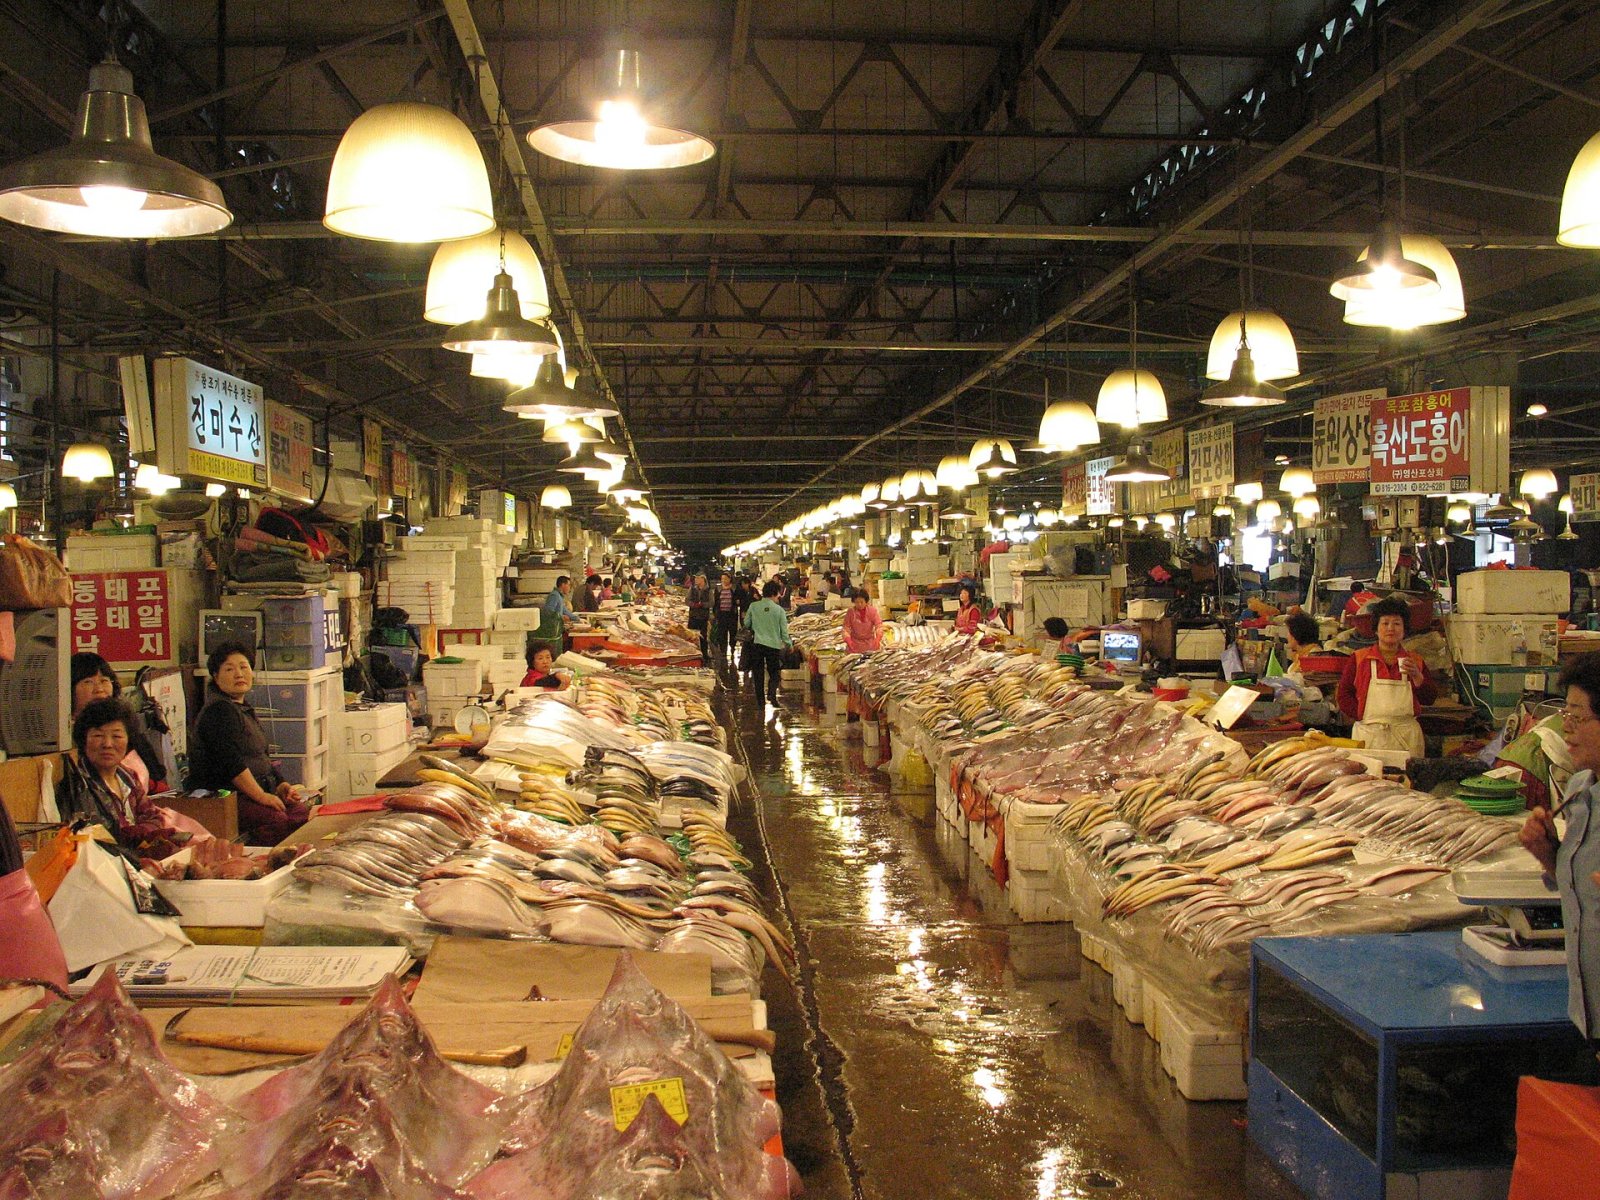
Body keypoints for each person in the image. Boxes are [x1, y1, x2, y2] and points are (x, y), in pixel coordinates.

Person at [1520, 653, 1600, 1046]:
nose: (1566, 729)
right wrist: (1549, 854)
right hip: (1589, 1012)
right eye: (1564, 715)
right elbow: (1584, 893)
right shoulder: (1579, 791)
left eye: (1578, 717)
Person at [187, 642, 311, 844]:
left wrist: (281, 785)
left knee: (299, 812)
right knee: (275, 819)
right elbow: (231, 764)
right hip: (225, 797)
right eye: (229, 669)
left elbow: (261, 756)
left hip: (252, 791)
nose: (239, 674)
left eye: (244, 667)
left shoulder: (242, 708)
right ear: (216, 677)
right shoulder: (219, 711)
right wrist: (262, 796)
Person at [57, 698, 191, 861]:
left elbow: (152, 815)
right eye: (98, 735)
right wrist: (141, 835)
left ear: (129, 740)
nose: (107, 744)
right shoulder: (78, 785)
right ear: (83, 740)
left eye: (117, 736)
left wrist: (142, 833)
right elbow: (99, 839)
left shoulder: (128, 777)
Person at [1335, 596, 1437, 757]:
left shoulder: (1415, 661)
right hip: (1369, 738)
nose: (1391, 628)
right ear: (1376, 629)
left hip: (1406, 739)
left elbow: (1429, 698)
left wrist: (1418, 678)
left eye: (1397, 623)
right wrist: (1361, 715)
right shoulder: (1359, 659)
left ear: (1404, 630)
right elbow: (1343, 694)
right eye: (1385, 623)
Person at [70, 652, 168, 794]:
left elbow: (156, 778)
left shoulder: (126, 725)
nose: (99, 688)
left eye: (104, 680)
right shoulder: (63, 737)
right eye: (88, 682)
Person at [742, 579, 793, 706]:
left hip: (756, 644)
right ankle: (771, 694)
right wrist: (789, 645)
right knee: (774, 672)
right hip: (773, 646)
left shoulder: (753, 606)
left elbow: (746, 623)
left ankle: (760, 702)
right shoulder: (779, 610)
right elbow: (784, 632)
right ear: (775, 593)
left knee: (758, 674)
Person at [537, 574, 581, 649]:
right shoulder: (554, 596)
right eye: (569, 585)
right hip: (552, 629)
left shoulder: (559, 597)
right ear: (563, 585)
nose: (569, 588)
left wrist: (578, 619)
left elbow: (564, 610)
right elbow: (548, 611)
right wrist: (560, 617)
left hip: (557, 628)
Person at [711, 572, 739, 665]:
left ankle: (732, 647)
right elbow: (715, 601)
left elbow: (737, 599)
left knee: (732, 631)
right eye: (722, 578)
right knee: (722, 632)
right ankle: (723, 650)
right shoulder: (718, 588)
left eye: (725, 578)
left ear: (729, 579)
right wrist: (715, 613)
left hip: (732, 614)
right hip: (721, 614)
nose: (724, 580)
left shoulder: (734, 588)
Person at [843, 588, 883, 654]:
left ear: (866, 601)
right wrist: (848, 640)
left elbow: (879, 625)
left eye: (862, 602)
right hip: (854, 645)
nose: (859, 604)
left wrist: (878, 638)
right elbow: (845, 628)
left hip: (870, 644)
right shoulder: (850, 612)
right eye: (856, 602)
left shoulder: (872, 611)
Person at [686, 572, 712, 659]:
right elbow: (687, 600)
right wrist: (694, 605)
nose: (696, 580)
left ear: (703, 579)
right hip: (693, 616)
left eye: (698, 578)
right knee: (692, 636)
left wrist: (703, 604)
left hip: (703, 617)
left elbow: (712, 602)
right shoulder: (692, 589)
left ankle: (704, 654)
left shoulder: (709, 590)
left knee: (703, 636)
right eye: (696, 578)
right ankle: (692, 654)